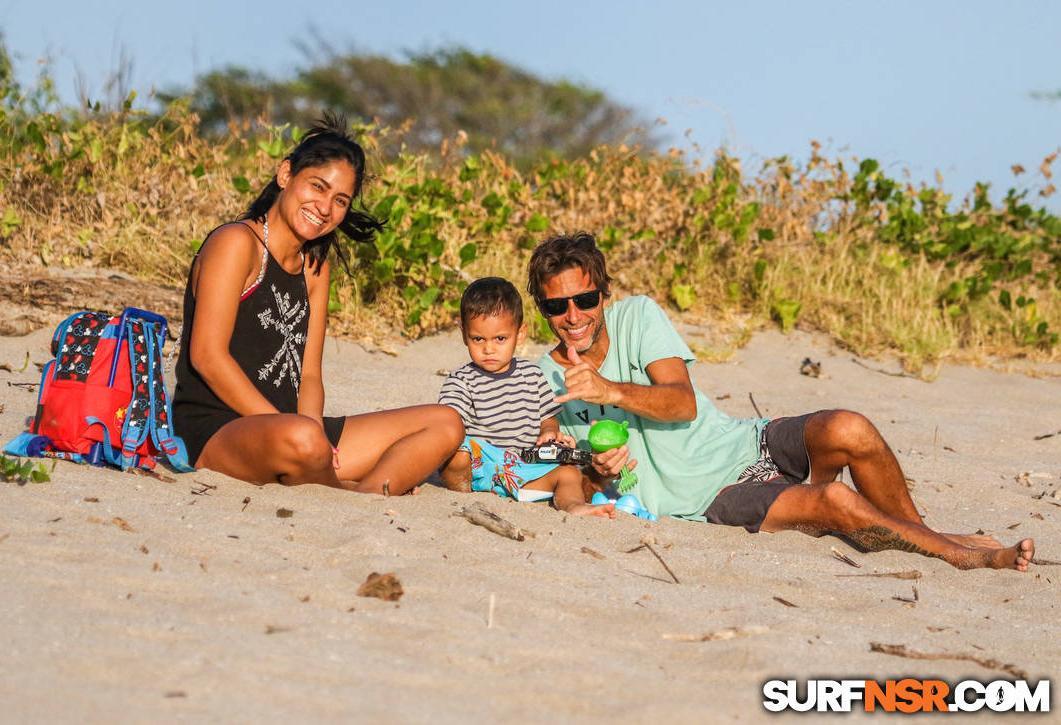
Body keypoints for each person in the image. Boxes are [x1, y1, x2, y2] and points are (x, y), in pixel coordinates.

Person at [527, 232, 1035, 571]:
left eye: (585, 299)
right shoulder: (545, 377)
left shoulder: (637, 316)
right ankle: (962, 557)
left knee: (849, 426)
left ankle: (930, 535)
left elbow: (681, 403)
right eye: (556, 304)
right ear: (543, 309)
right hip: (709, 497)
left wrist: (610, 389)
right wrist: (596, 466)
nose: (573, 315)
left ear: (604, 295)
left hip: (743, 440)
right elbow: (563, 467)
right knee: (835, 501)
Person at [172, 114, 462, 493]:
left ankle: (364, 493)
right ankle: (341, 490)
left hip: (299, 434)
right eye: (317, 187)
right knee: (303, 438)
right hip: (219, 430)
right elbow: (208, 357)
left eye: (339, 200)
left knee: (446, 422)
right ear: (285, 175)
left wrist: (317, 436)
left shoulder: (315, 267)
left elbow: (309, 375)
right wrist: (303, 433)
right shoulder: (235, 243)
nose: (325, 208)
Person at [437, 277, 614, 517]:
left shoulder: (531, 374)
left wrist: (549, 432)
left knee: (569, 473)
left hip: (523, 467)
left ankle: (573, 506)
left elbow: (548, 418)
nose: (489, 349)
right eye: (478, 339)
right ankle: (461, 494)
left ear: (519, 335)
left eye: (500, 339)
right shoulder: (462, 380)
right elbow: (445, 426)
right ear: (464, 334)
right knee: (457, 453)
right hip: (481, 465)